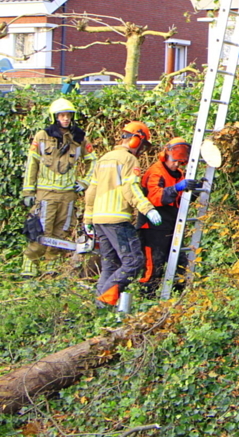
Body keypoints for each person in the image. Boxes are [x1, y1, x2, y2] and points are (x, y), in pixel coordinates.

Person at [83, 122, 164, 307]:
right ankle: (105, 301)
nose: (142, 150)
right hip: (117, 219)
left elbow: (91, 191)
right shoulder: (129, 160)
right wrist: (148, 209)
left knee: (110, 265)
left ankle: (100, 309)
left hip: (99, 220)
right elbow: (131, 188)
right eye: (143, 145)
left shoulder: (103, 159)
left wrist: (88, 218)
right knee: (134, 261)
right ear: (136, 140)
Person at [20, 97, 97, 277]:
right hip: (46, 193)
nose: (65, 118)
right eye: (62, 115)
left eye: (68, 115)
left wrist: (84, 182)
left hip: (68, 194)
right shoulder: (42, 136)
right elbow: (32, 163)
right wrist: (28, 191)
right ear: (55, 117)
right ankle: (30, 265)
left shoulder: (79, 138)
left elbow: (93, 161)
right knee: (41, 230)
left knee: (61, 231)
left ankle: (52, 265)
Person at [138, 137, 201, 296]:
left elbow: (180, 200)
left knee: (181, 265)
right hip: (152, 227)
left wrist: (196, 189)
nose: (176, 165)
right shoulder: (156, 172)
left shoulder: (179, 174)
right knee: (154, 266)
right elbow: (155, 197)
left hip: (172, 225)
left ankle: (179, 299)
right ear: (166, 155)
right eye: (174, 161)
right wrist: (176, 188)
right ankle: (146, 299)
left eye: (180, 162)